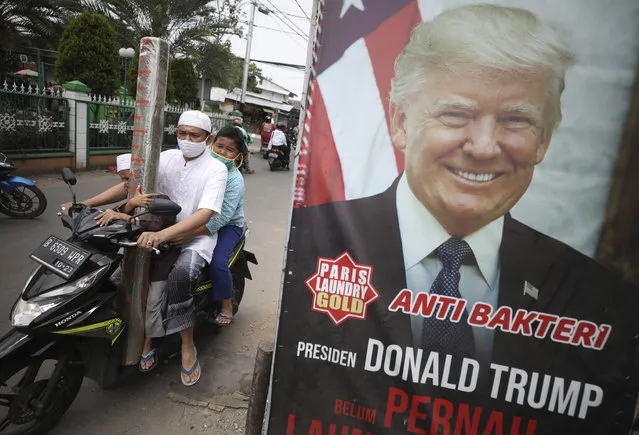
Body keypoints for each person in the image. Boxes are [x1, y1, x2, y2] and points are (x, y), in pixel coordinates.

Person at [274, 4, 639, 433]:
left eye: (516, 119)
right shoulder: (315, 242)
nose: (484, 146)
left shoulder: (598, 299)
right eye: (456, 114)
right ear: (401, 122)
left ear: (544, 141)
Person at [62, 111, 228, 387]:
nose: (187, 139)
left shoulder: (216, 169)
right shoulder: (166, 158)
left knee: (180, 278)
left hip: (192, 237)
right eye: (182, 133)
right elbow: (130, 187)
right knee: (116, 272)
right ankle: (141, 334)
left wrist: (163, 235)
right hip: (150, 230)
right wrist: (86, 205)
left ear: (208, 139)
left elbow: (205, 214)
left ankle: (188, 345)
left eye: (194, 135)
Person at [186, 126, 247, 326]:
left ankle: (226, 305)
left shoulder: (235, 180)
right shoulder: (202, 166)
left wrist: (188, 233)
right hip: (197, 219)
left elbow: (221, 218)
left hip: (228, 226)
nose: (221, 151)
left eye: (228, 150)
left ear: (238, 155)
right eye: (219, 146)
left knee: (218, 262)